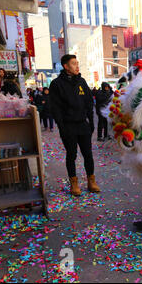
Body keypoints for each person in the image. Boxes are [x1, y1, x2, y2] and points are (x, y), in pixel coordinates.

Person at [49, 54, 100, 196]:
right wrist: (61, 127)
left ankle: (91, 181)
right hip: (68, 126)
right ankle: (74, 183)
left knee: (88, 155)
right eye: (74, 63)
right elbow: (55, 108)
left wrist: (90, 122)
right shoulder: (56, 84)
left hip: (83, 125)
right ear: (66, 66)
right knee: (71, 155)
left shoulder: (81, 81)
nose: (77, 66)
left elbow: (89, 102)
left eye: (77, 63)